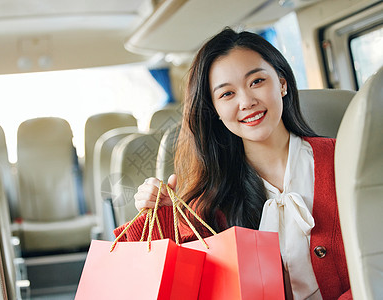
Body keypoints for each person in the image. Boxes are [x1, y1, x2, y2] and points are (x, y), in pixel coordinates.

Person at [114, 27, 351, 300]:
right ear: (214, 110)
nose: (247, 102)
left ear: (282, 83)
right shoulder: (210, 197)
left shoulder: (345, 160)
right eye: (227, 94)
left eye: (257, 81)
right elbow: (181, 286)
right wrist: (165, 215)